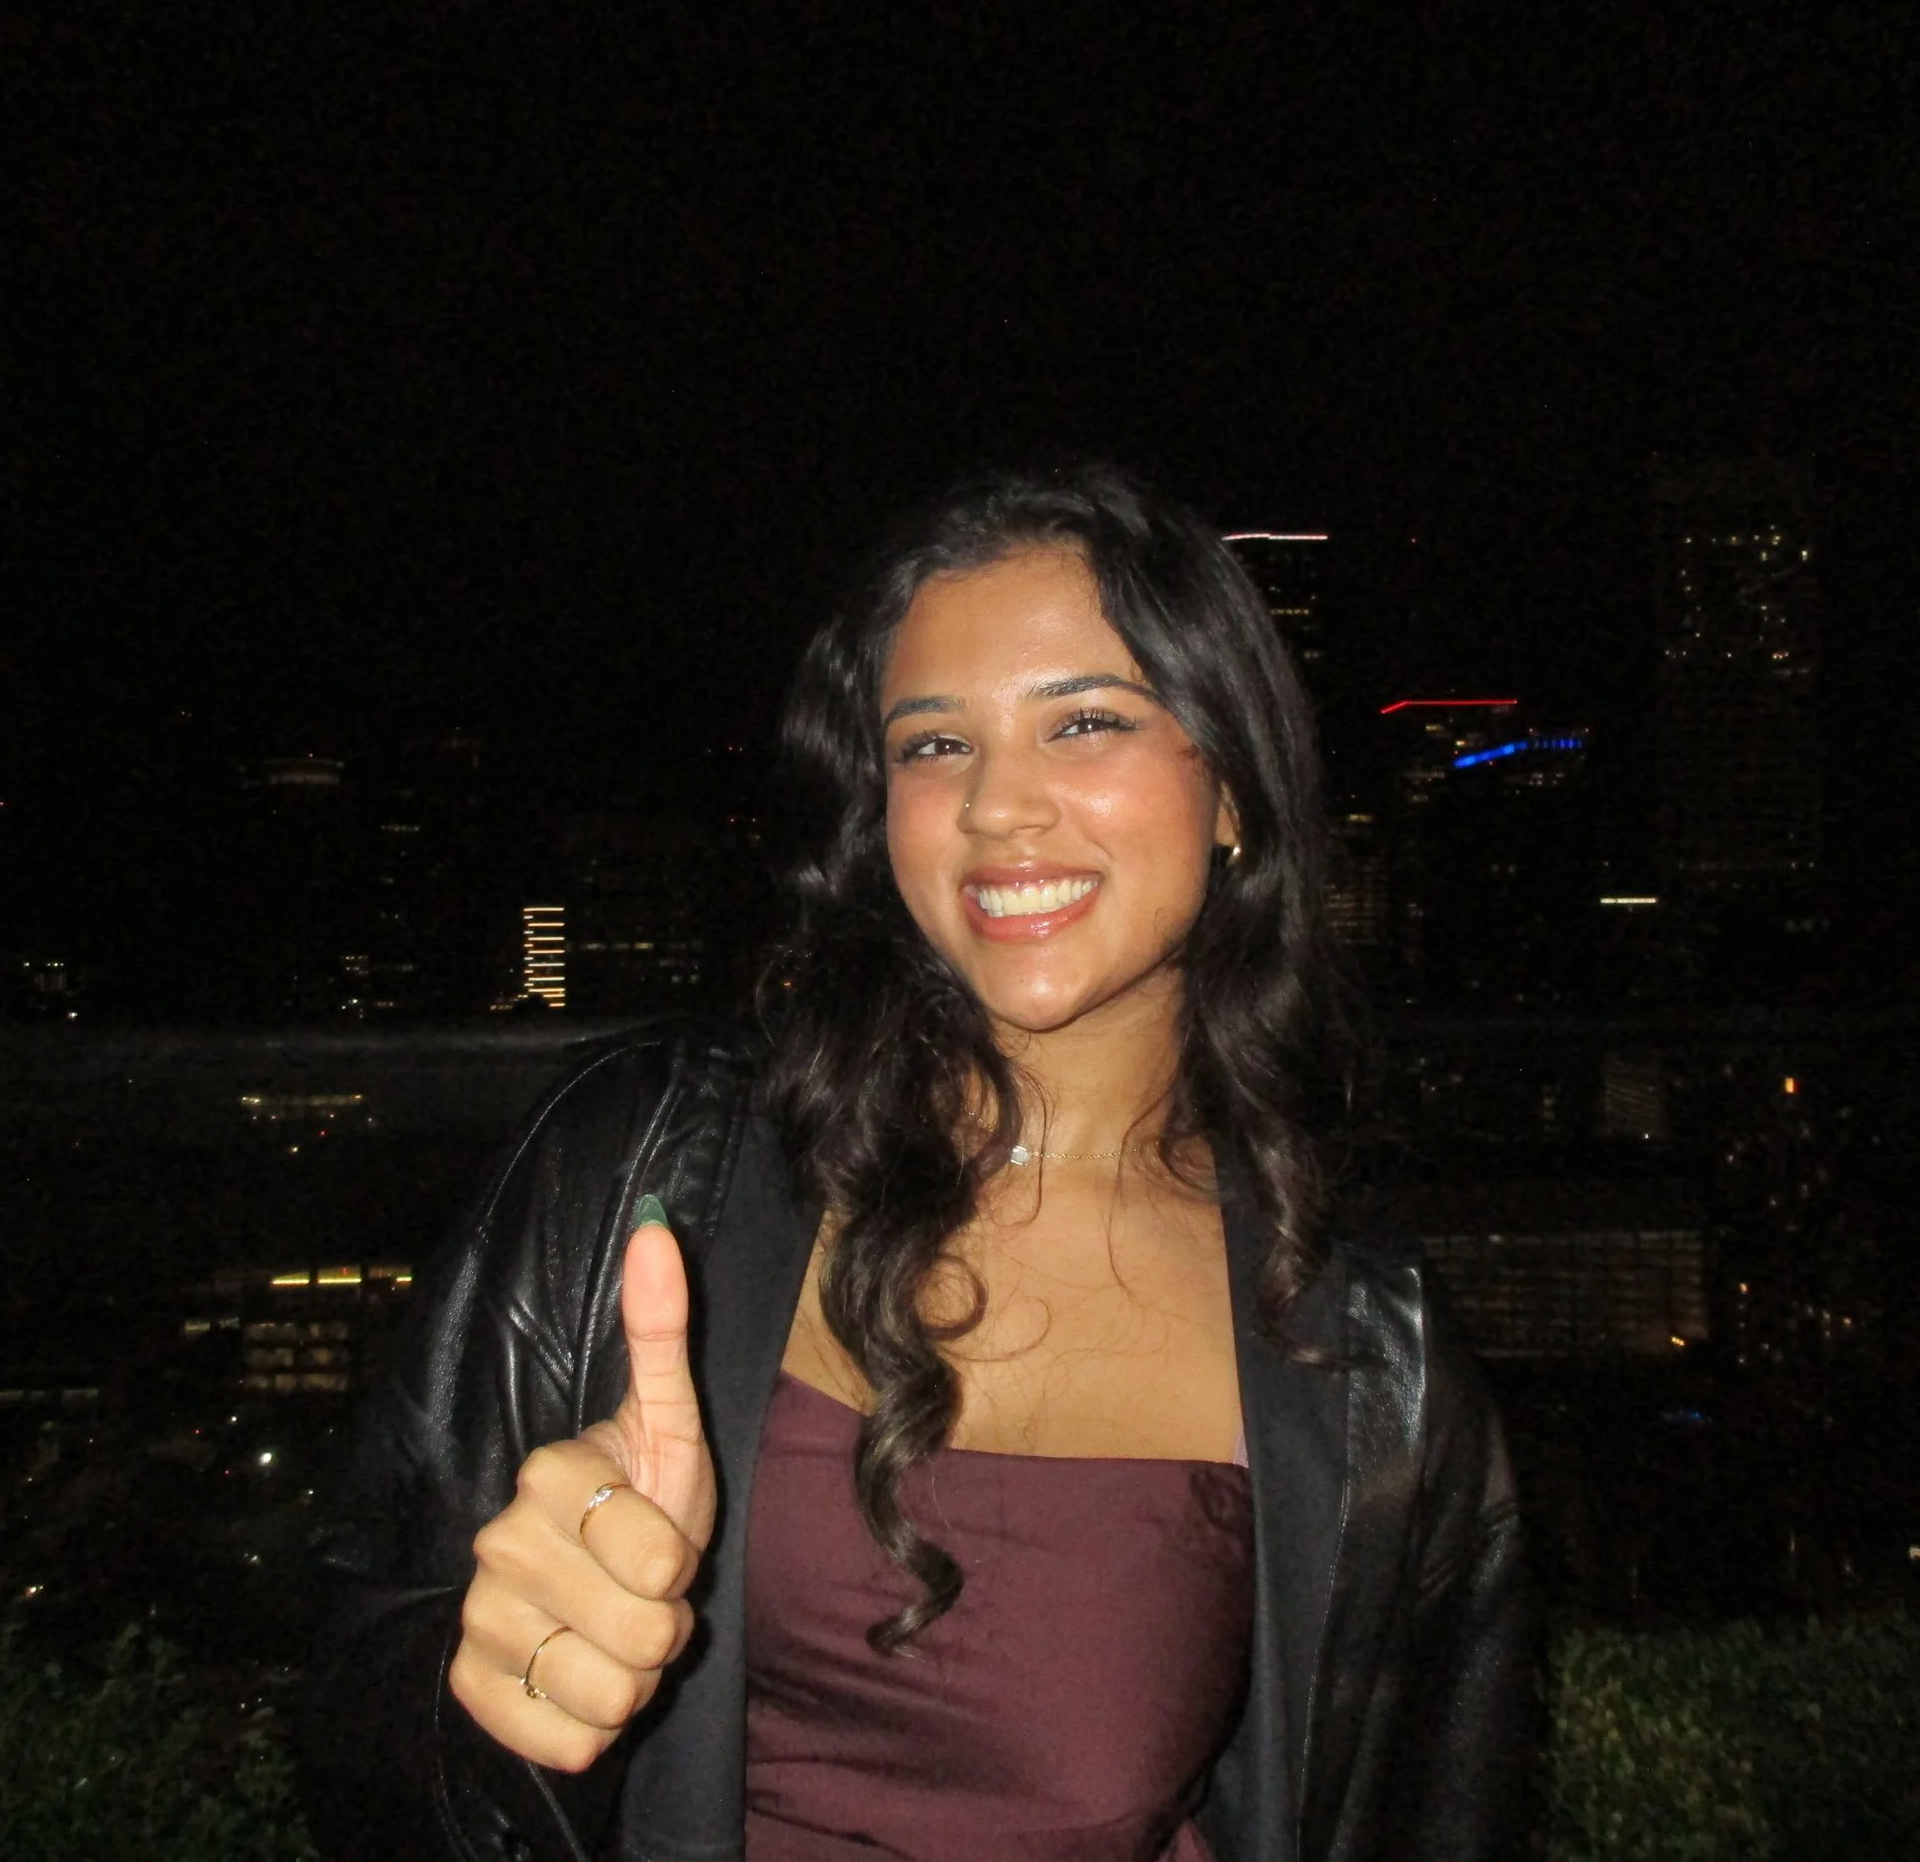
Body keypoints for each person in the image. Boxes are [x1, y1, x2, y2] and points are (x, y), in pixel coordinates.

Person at [299, 464, 1534, 1861]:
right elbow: (356, 1678)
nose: (999, 806)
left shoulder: (1370, 1359)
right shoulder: (646, 1160)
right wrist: (497, 1683)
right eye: (936, 744)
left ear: (1234, 785)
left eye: (1085, 721)